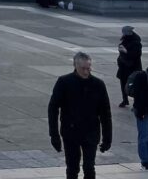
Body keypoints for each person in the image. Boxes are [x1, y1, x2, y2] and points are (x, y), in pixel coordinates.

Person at [48, 51, 112, 179]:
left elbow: (105, 113)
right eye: (83, 68)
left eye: (88, 68)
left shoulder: (98, 84)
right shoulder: (64, 82)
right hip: (71, 131)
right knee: (72, 167)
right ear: (75, 66)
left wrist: (107, 138)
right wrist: (54, 135)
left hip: (91, 132)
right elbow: (53, 109)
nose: (86, 72)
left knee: (89, 167)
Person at [116, 26, 143, 107]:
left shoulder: (136, 43)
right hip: (124, 66)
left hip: (133, 67)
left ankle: (136, 102)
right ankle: (125, 100)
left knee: (134, 85)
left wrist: (125, 51)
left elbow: (136, 55)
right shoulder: (125, 38)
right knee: (123, 83)